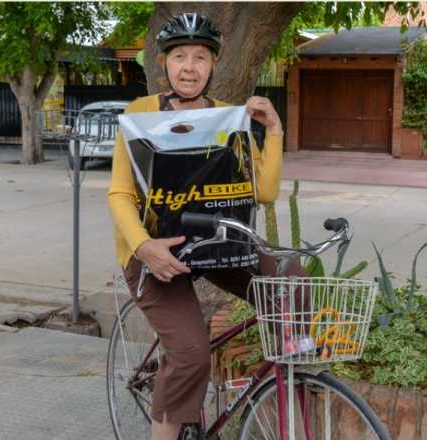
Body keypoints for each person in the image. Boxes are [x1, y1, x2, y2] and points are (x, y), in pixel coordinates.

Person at [107, 12, 304, 440]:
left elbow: (264, 192)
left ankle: (276, 375)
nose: (190, 67)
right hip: (156, 253)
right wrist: (143, 247)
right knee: (192, 351)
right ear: (165, 64)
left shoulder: (226, 117)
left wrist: (273, 130)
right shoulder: (141, 113)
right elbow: (120, 194)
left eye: (200, 57)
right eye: (180, 56)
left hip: (218, 247)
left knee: (292, 281)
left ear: (213, 65)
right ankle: (174, 411)